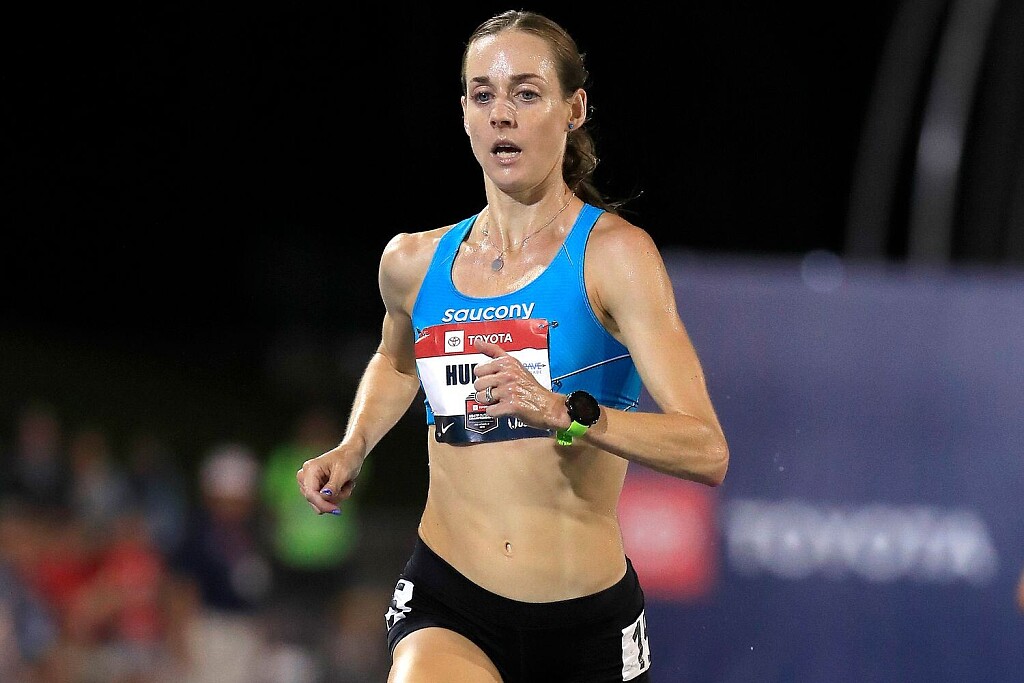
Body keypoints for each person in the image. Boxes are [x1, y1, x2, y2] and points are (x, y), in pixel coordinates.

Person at [296, 9, 728, 683]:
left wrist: (565, 412)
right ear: (465, 113)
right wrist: (353, 446)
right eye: (483, 94)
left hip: (585, 624)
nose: (502, 113)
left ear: (574, 109)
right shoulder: (412, 261)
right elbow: (396, 361)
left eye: (526, 93)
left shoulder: (615, 257)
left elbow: (706, 449)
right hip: (449, 601)